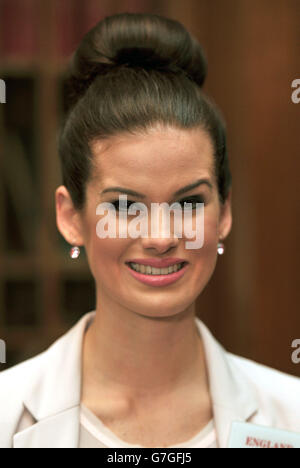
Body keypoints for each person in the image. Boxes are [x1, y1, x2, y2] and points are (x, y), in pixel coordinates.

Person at [0, 12, 299, 449]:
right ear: (71, 217)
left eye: (189, 203)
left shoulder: (289, 415)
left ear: (226, 211)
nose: (161, 237)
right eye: (124, 206)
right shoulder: (9, 414)